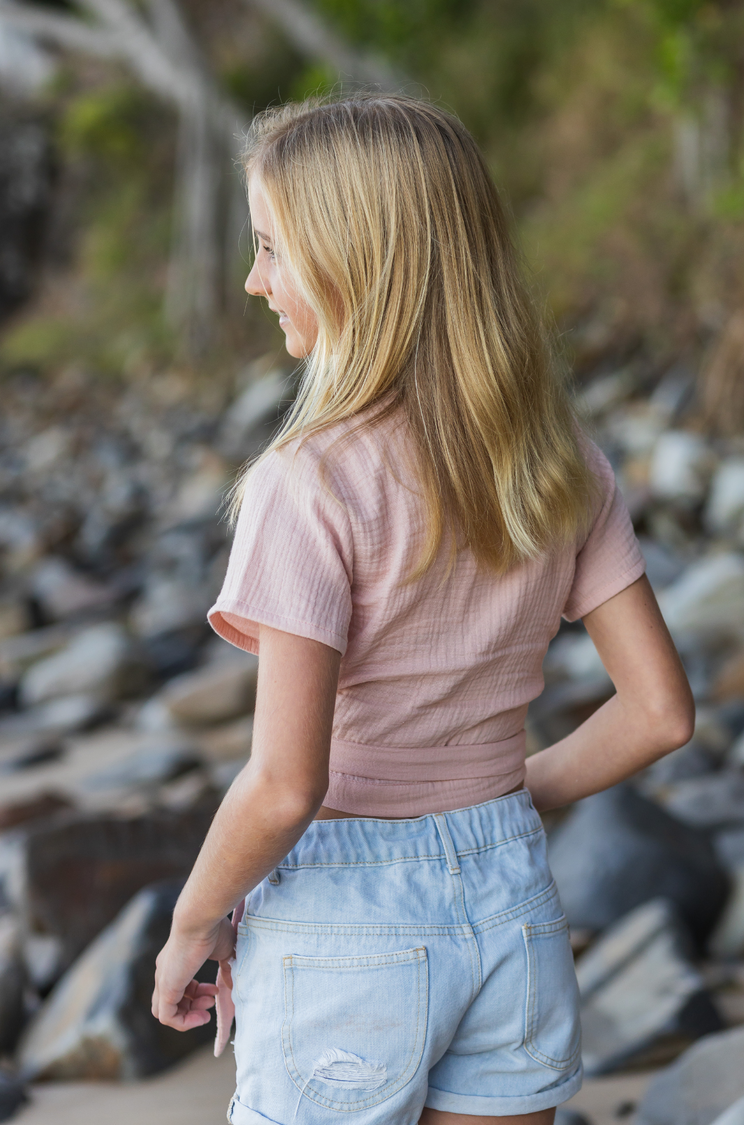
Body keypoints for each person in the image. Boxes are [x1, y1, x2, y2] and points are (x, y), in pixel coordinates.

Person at [151, 94, 695, 1125]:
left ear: (357, 259)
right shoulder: (558, 463)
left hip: (343, 922)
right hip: (514, 907)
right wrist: (498, 807)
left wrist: (192, 922)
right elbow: (661, 712)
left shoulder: (307, 483)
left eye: (272, 249)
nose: (253, 280)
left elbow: (283, 784)